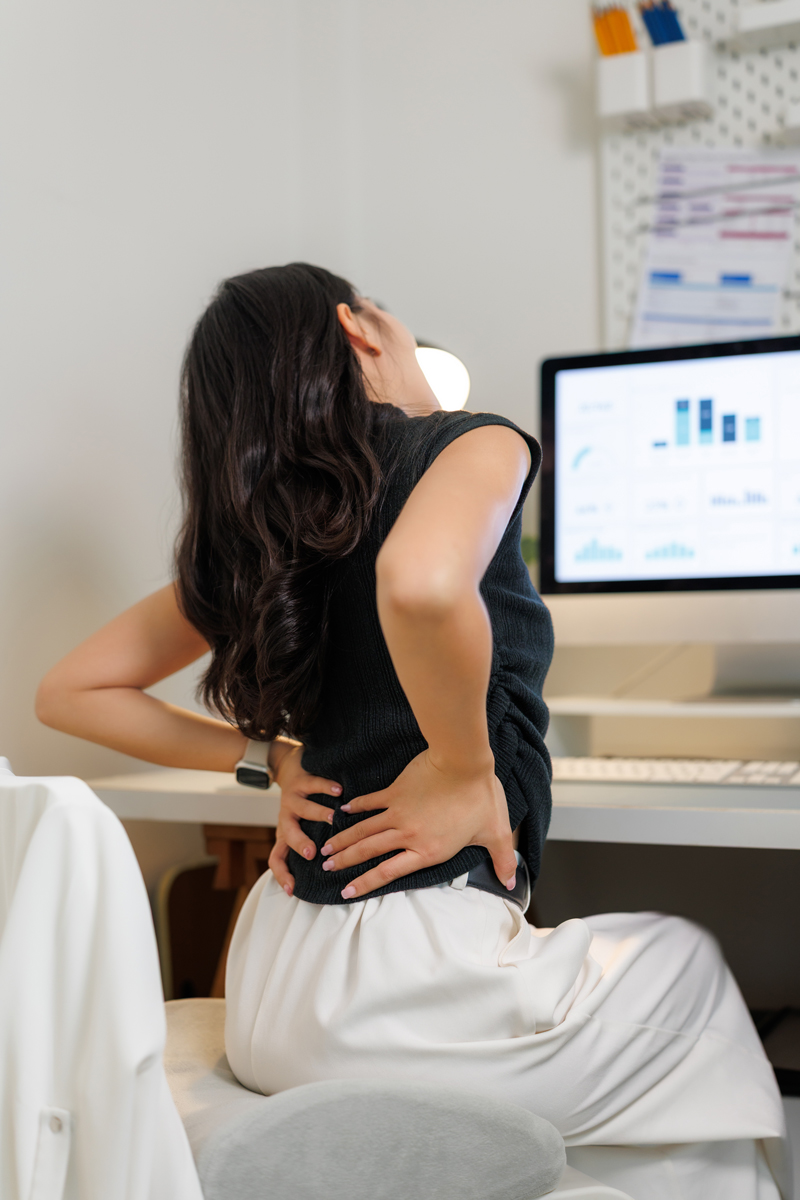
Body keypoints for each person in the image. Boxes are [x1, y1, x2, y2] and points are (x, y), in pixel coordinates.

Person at [37, 264, 788, 1200]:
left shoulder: (261, 534)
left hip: (270, 994)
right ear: (360, 330)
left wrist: (262, 757)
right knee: (694, 982)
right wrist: (465, 766)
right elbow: (422, 583)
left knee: (641, 1059)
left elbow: (69, 691)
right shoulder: (474, 444)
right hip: (403, 994)